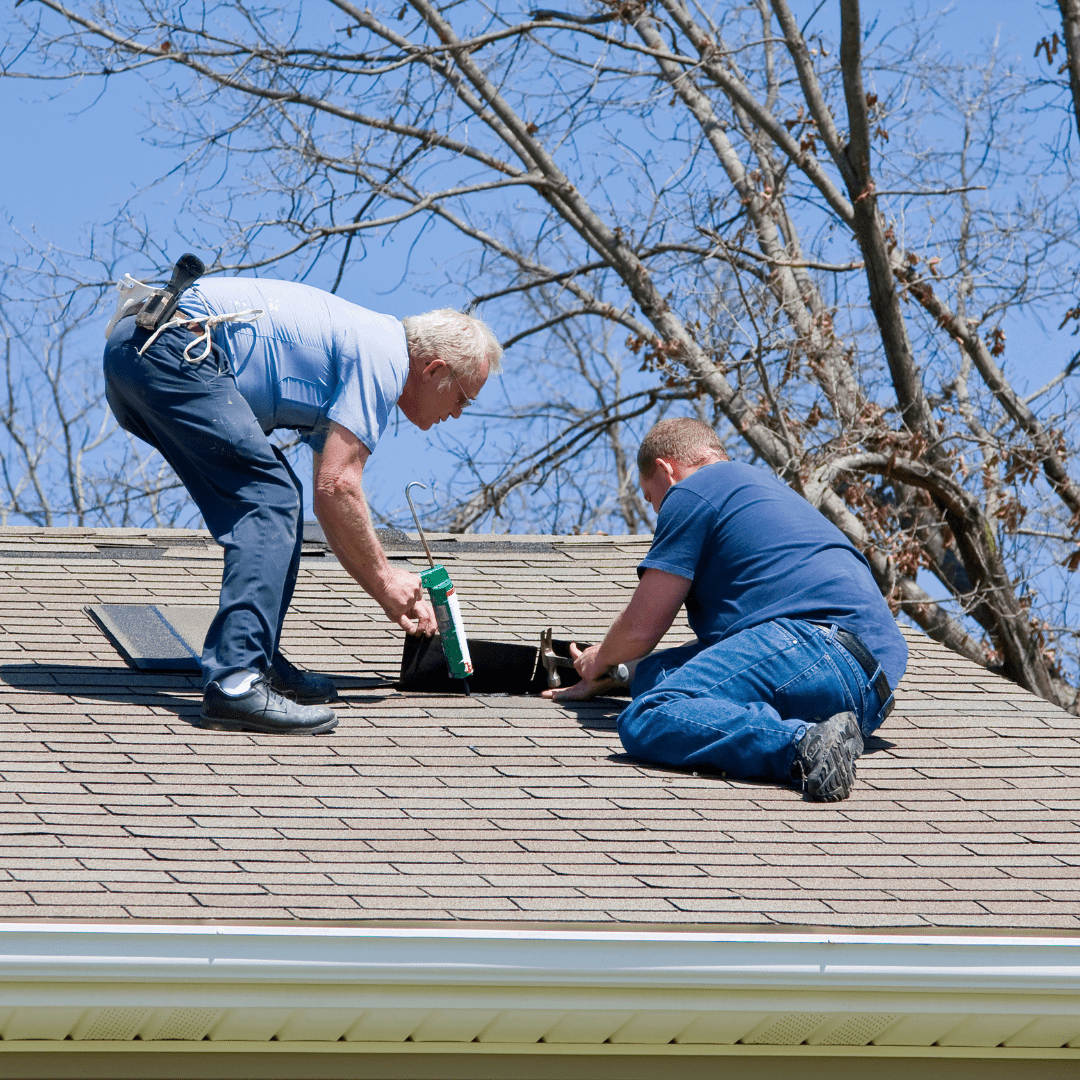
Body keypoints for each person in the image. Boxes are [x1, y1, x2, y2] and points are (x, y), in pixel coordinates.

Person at [103, 273, 502, 735]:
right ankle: (236, 681)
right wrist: (388, 579)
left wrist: (384, 588)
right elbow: (339, 486)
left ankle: (259, 660)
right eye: (463, 399)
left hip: (137, 350)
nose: (456, 412)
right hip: (173, 348)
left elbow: (327, 500)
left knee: (279, 498)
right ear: (433, 370)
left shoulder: (359, 347)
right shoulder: (384, 357)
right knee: (269, 498)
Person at [544, 418, 907, 801]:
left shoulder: (694, 490)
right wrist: (619, 675)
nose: (658, 512)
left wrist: (599, 660)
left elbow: (641, 629)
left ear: (666, 469)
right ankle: (822, 734)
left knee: (649, 714)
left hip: (815, 644)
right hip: (866, 693)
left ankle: (803, 744)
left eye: (653, 499)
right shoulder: (759, 491)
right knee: (655, 677)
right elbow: (717, 657)